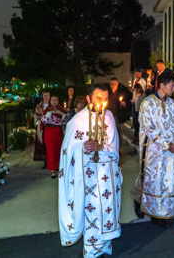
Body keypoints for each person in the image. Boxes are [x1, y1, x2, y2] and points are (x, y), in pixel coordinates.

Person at [58, 84, 122, 258]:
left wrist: (106, 150)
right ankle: (92, 250)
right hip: (89, 178)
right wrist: (83, 148)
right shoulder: (77, 121)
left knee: (108, 211)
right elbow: (68, 152)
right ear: (88, 99)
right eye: (99, 99)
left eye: (106, 99)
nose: (103, 103)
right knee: (93, 212)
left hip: (108, 174)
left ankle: (106, 246)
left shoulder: (108, 116)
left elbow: (114, 146)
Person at [132, 71, 174, 228]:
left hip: (170, 150)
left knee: (166, 180)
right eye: (172, 85)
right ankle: (141, 201)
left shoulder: (173, 104)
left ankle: (161, 212)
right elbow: (148, 128)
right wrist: (167, 145)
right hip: (153, 149)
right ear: (162, 85)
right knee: (152, 180)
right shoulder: (147, 103)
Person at [41, 95, 66, 178]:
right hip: (49, 132)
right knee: (51, 150)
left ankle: (58, 166)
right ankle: (52, 169)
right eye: (53, 100)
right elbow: (43, 121)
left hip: (59, 132)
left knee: (59, 149)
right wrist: (50, 113)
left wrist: (60, 113)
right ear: (50, 101)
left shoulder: (61, 109)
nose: (54, 101)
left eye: (56, 100)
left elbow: (66, 119)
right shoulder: (47, 110)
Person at [107, 77, 131, 148]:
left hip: (119, 116)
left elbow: (128, 102)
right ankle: (111, 148)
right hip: (110, 116)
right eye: (111, 84)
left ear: (117, 84)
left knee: (119, 133)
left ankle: (118, 149)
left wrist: (124, 103)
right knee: (110, 133)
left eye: (114, 84)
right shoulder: (107, 93)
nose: (113, 85)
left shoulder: (122, 92)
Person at [33, 91, 50, 169]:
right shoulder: (39, 106)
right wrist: (44, 117)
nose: (46, 97)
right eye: (45, 95)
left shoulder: (52, 104)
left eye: (48, 95)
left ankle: (52, 160)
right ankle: (45, 161)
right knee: (42, 144)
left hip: (51, 126)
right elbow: (36, 116)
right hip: (42, 126)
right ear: (42, 96)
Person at [129, 70, 146, 142]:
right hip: (136, 106)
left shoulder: (142, 81)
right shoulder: (135, 80)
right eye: (135, 74)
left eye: (137, 74)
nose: (136, 75)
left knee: (139, 123)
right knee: (136, 122)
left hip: (140, 110)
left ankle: (140, 137)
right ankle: (136, 136)